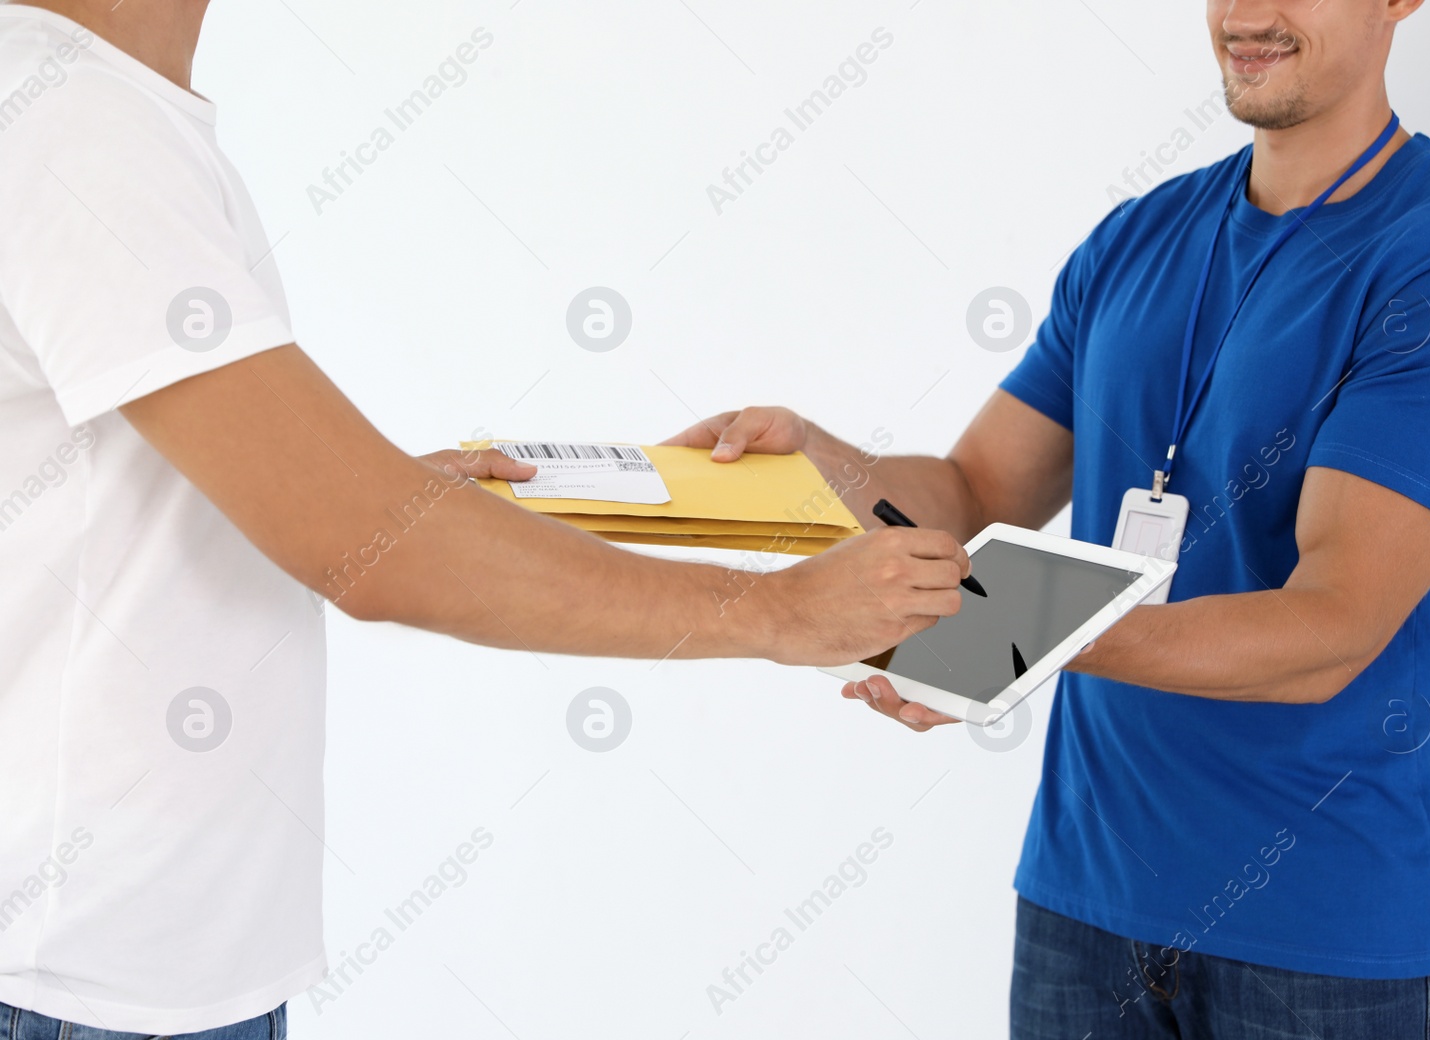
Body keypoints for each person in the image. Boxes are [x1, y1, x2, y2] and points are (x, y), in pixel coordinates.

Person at [0, 1, 972, 1035]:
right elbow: (365, 547)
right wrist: (776, 613)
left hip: (137, 959)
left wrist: (360, 491)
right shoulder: (81, 119)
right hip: (82, 974)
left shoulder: (91, 101)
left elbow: (158, 487)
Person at [670, 0, 1430, 1036]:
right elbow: (973, 493)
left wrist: (992, 635)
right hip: (1081, 905)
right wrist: (813, 458)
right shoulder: (1138, 236)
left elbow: (1328, 626)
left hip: (1322, 940)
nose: (1246, 14)